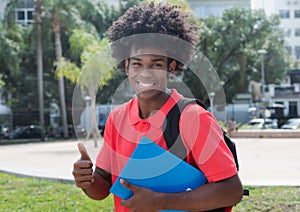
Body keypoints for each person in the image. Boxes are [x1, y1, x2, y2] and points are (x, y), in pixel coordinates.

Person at [73, 2, 243, 211]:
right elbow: (103, 187)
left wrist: (159, 201)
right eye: (137, 63)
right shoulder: (117, 119)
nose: (145, 72)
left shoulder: (193, 118)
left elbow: (231, 190)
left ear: (171, 68)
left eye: (156, 64)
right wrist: (87, 180)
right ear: (126, 66)